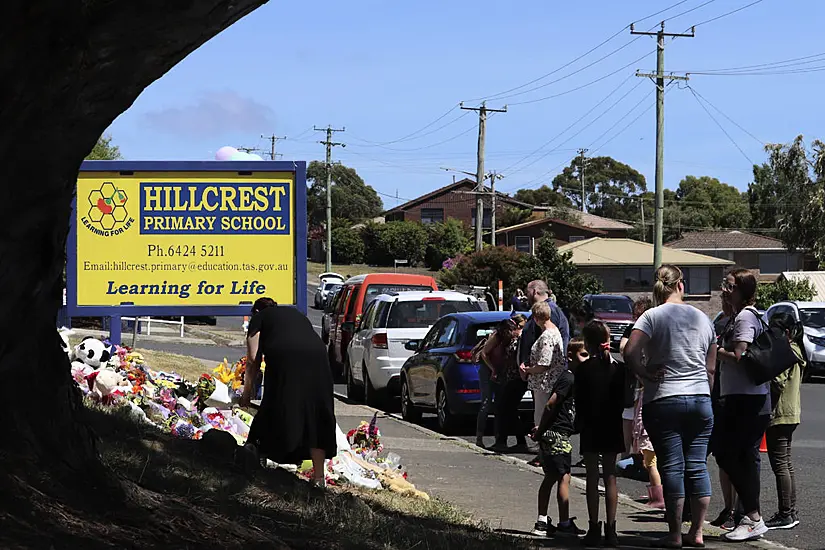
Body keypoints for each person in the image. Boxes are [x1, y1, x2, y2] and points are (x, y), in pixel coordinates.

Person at [624, 265, 717, 548]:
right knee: (697, 466)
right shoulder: (703, 318)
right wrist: (704, 393)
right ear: (681, 285)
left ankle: (675, 534)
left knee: (672, 467)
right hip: (700, 399)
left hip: (664, 398)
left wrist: (644, 373)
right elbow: (711, 368)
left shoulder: (652, 317)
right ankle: (697, 532)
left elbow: (628, 351)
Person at [240, 298, 337, 487]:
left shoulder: (260, 317)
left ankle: (260, 454)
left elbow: (252, 358)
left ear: (256, 311)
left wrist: (247, 392)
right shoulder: (295, 314)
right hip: (318, 357)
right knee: (316, 411)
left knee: (277, 402)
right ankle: (319, 478)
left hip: (286, 357)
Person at [715, 268, 771, 542]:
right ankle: (750, 516)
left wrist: (715, 351)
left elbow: (740, 354)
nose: (724, 289)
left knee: (729, 454)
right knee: (738, 457)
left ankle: (753, 517)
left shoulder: (746, 316)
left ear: (741, 290)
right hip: (743, 398)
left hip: (747, 400)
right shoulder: (738, 316)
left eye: (729, 286)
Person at [574, 320, 625, 548]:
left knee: (592, 478)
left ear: (589, 343)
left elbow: (580, 401)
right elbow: (624, 400)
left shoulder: (583, 369)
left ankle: (594, 527)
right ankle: (612, 529)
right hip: (612, 424)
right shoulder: (618, 368)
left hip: (591, 425)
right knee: (611, 476)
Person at [530, 340, 586, 538]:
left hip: (555, 432)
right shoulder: (568, 379)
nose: (587, 359)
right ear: (570, 356)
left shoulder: (572, 378)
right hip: (557, 434)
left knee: (551, 477)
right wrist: (541, 429)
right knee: (564, 477)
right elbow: (551, 404)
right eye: (584, 355)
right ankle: (563, 523)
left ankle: (542, 521)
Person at [619, 296, 664, 510]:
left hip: (647, 397)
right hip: (645, 396)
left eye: (637, 317)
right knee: (650, 457)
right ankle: (657, 494)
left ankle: (659, 497)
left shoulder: (647, 342)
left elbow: (626, 352)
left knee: (650, 457)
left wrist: (642, 373)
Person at [764, 312, 806, 530]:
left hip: (780, 414)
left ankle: (785, 513)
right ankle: (790, 510)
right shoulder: (797, 350)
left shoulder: (786, 352)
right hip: (792, 412)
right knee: (786, 463)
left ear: (787, 333)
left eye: (775, 330)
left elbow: (777, 381)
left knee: (780, 464)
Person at [709, 296, 741, 531]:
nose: (723, 299)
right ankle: (728, 507)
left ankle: (738, 511)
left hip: (735, 398)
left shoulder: (744, 322)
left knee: (737, 458)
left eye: (727, 294)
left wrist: (718, 351)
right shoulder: (720, 321)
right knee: (722, 457)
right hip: (717, 397)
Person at [477, 314, 527, 449]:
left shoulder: (520, 339)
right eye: (519, 327)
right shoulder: (503, 338)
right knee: (504, 408)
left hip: (516, 378)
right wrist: (494, 370)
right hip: (507, 376)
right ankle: (505, 441)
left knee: (506, 408)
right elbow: (485, 353)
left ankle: (510, 441)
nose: (517, 331)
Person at [619, 297, 652, 469]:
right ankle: (626, 455)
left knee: (643, 422)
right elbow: (624, 349)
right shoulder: (631, 329)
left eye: (639, 315)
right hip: (633, 382)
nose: (636, 318)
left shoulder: (653, 329)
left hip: (646, 381)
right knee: (628, 417)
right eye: (634, 315)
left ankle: (642, 458)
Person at [522, 302, 566, 429]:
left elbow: (544, 364)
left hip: (544, 383)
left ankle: (541, 444)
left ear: (536, 318)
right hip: (552, 380)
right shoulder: (555, 330)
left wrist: (528, 370)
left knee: (541, 415)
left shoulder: (547, 336)